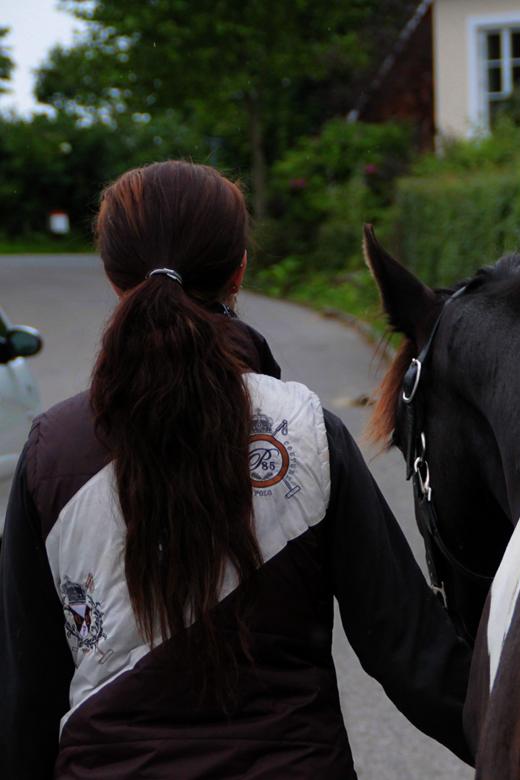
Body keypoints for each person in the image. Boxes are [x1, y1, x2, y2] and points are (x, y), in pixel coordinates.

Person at [0, 161, 472, 778]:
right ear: (240, 269)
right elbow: (414, 657)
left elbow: (23, 693)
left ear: (115, 278)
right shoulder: (306, 433)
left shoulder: (52, 451)